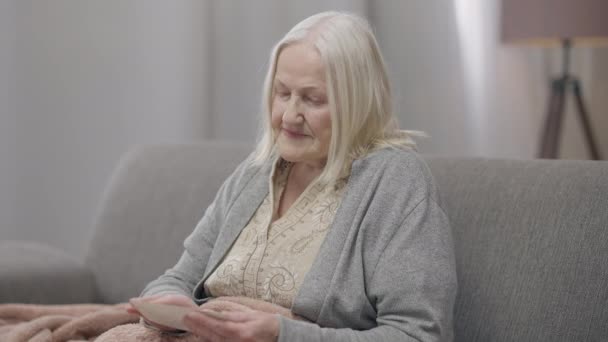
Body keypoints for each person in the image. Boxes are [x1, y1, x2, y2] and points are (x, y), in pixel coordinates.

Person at [127, 11, 457, 342]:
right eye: (282, 93)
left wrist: (282, 334)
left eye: (312, 99)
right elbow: (177, 278)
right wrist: (176, 305)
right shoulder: (256, 172)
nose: (289, 115)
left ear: (356, 102)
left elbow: (419, 335)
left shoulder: (396, 181)